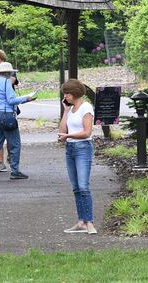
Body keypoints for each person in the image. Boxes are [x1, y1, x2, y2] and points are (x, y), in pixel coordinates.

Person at [0, 61, 35, 181]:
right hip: (6, 115)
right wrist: (26, 98)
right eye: (11, 72)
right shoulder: (6, 82)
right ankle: (15, 171)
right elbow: (11, 100)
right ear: (8, 72)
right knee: (15, 144)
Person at [57, 79, 97, 234]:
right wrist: (66, 111)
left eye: (67, 93)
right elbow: (62, 130)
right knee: (75, 188)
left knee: (83, 186)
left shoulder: (86, 108)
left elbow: (87, 132)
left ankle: (90, 222)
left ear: (74, 93)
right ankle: (81, 222)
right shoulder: (72, 109)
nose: (65, 96)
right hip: (70, 148)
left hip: (83, 148)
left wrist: (68, 135)